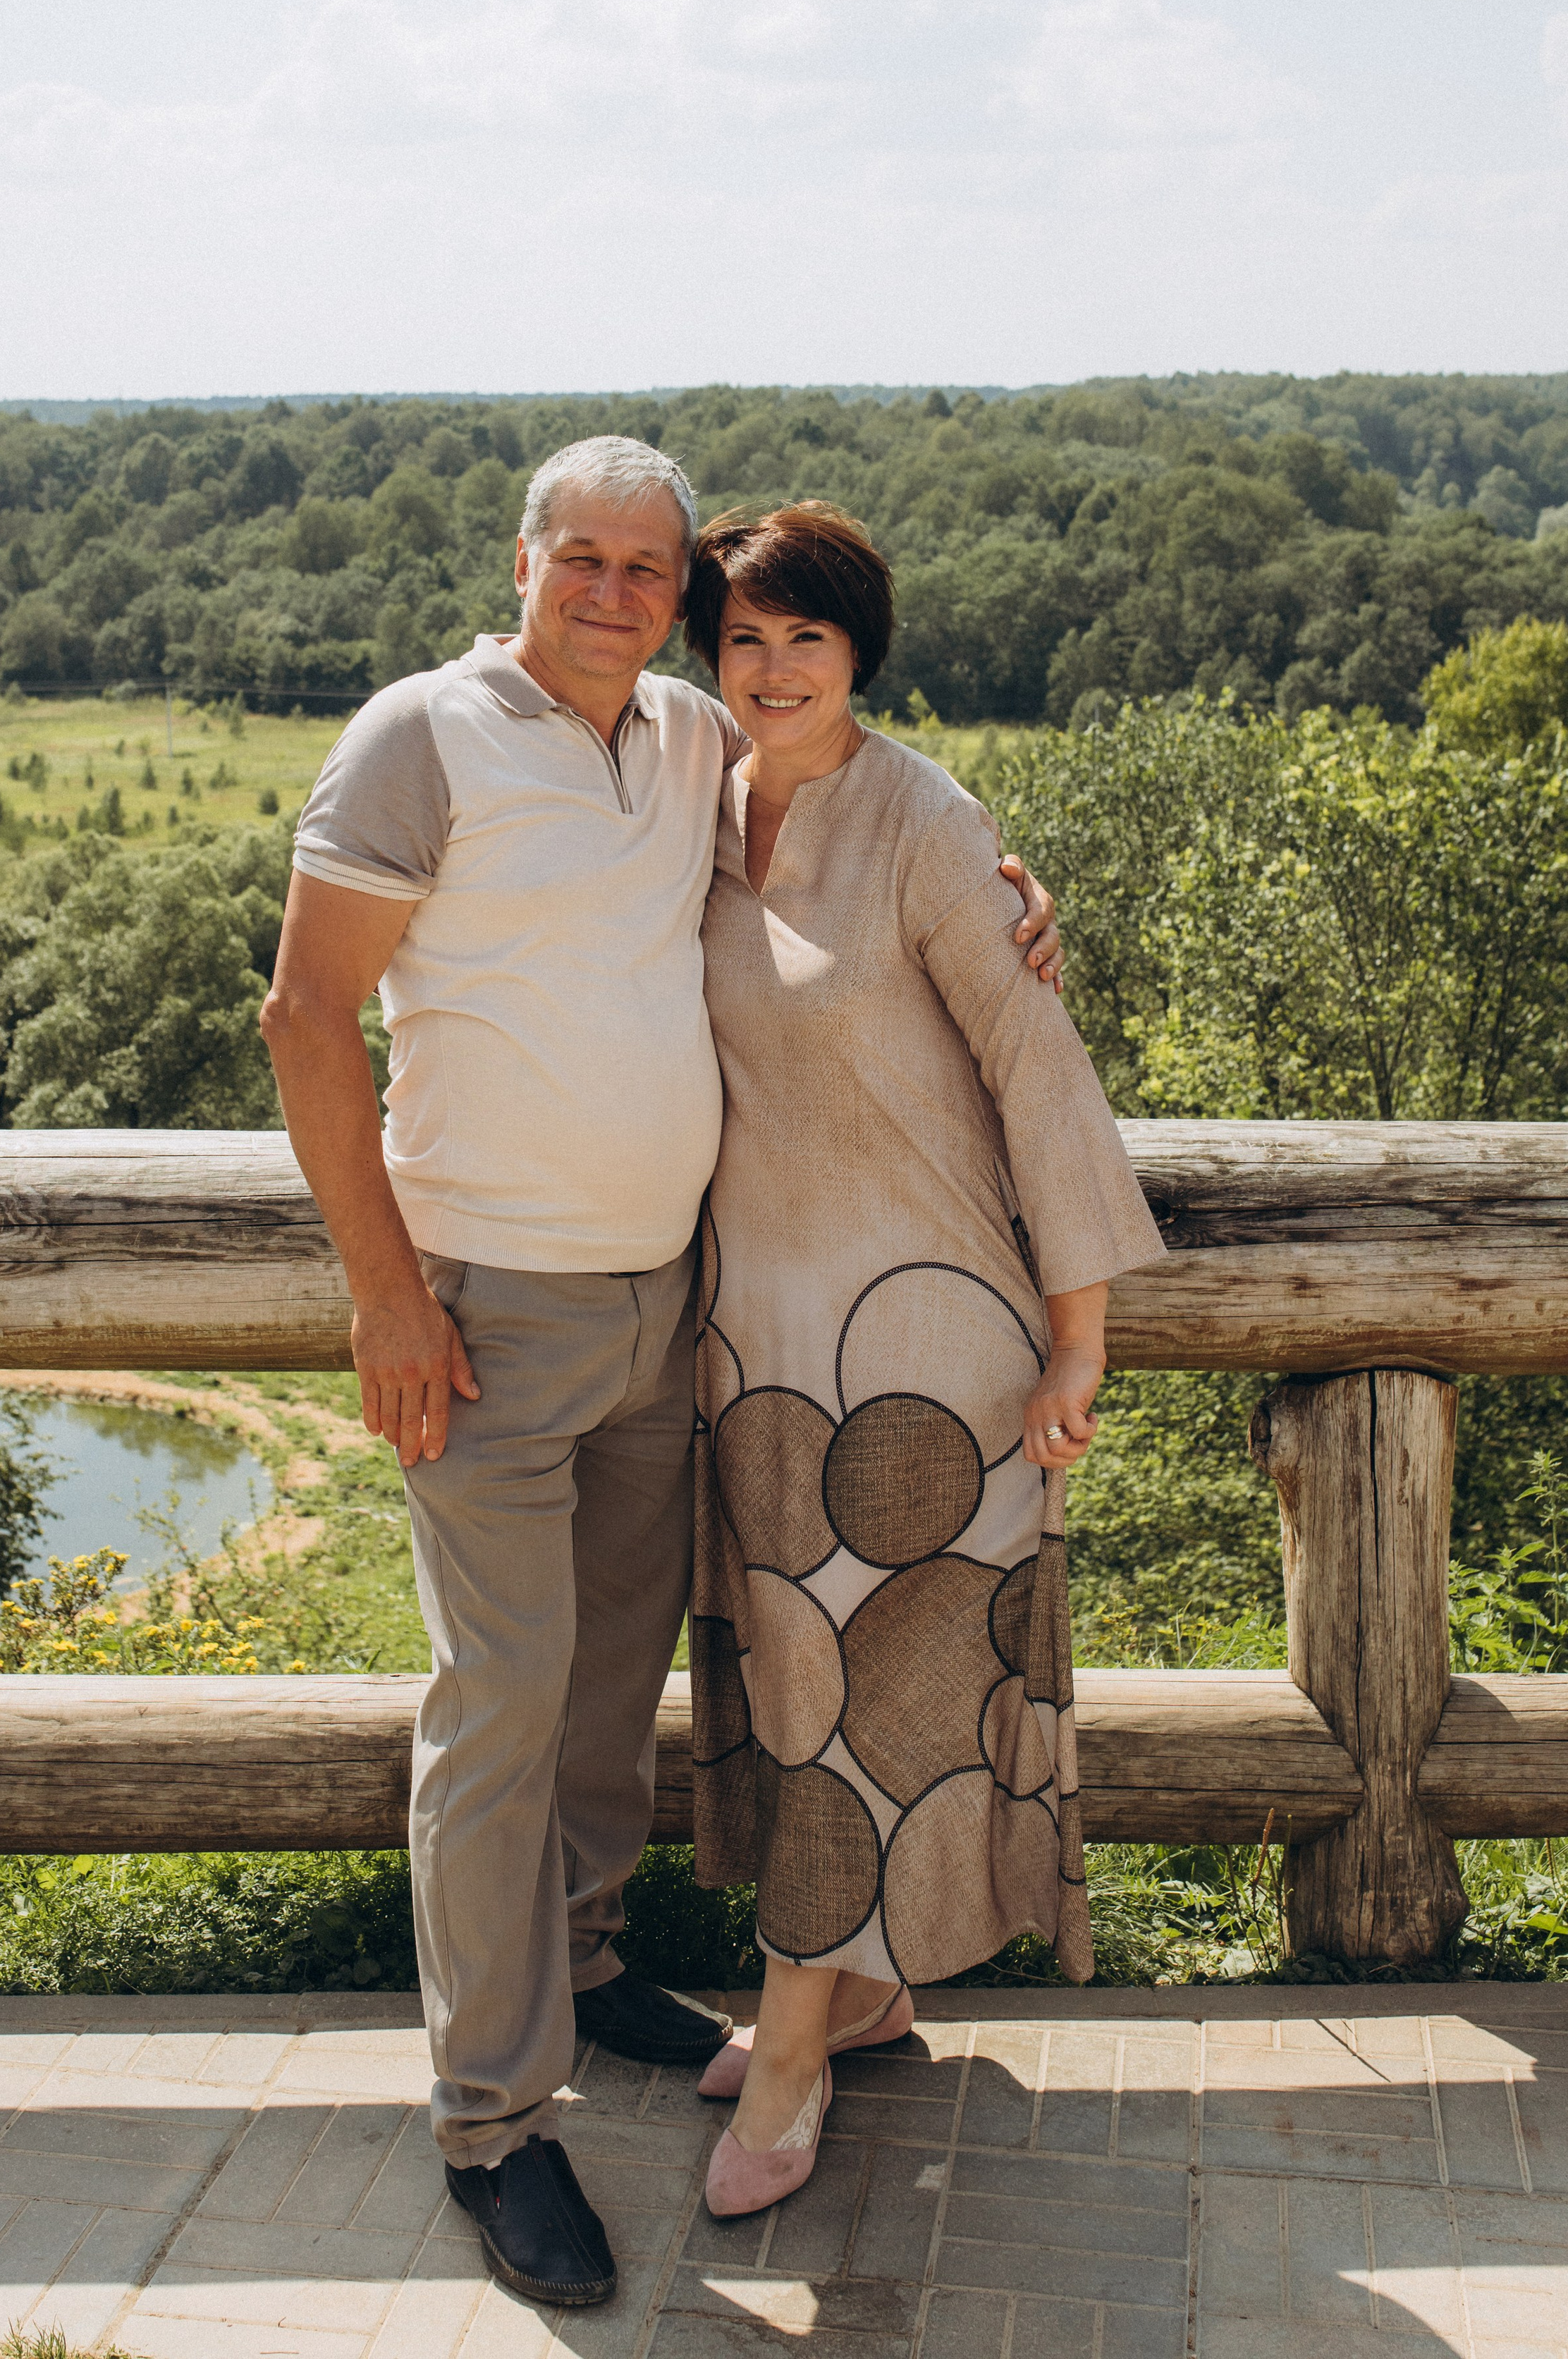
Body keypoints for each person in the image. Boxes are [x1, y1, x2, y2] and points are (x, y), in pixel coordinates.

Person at [260, 438, 1065, 2310]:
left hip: (666, 1300)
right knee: (506, 1706)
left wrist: (1009, 889)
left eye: (649, 571)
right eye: (586, 560)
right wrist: (386, 1294)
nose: (617, 594)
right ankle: (493, 2121)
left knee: (615, 1676)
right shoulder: (423, 736)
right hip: (486, 1309)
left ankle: (593, 1952)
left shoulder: (691, 739)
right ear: (523, 560)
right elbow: (306, 1016)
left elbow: (845, 816)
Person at [680, 500, 1165, 2221]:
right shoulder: (684, 798)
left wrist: (1075, 1336)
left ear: (858, 652)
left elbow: (1041, 1071)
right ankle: (867, 1988)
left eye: (805, 636)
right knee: (798, 1694)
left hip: (926, 1351)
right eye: (741, 637)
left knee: (851, 1703)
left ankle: (795, 2043)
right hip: (752, 1351)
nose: (773, 666)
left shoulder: (923, 816)